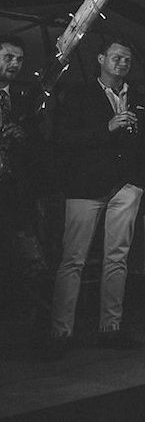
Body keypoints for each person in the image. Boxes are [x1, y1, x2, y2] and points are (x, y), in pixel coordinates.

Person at [50, 38, 145, 354]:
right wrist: (107, 127)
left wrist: (139, 182)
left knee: (117, 257)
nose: (123, 63)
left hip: (125, 186)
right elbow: (63, 139)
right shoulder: (80, 95)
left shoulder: (138, 98)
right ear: (101, 59)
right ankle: (60, 333)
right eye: (117, 57)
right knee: (73, 259)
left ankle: (111, 328)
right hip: (85, 185)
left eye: (127, 59)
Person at [0, 35, 51, 342]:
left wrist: (25, 138)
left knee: (29, 266)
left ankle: (33, 336)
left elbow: (42, 149)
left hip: (17, 197)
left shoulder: (25, 99)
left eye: (19, 59)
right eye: (8, 57)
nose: (15, 64)